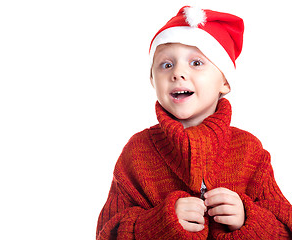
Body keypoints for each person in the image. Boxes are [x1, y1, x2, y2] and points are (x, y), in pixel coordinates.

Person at [96, 6, 292, 239]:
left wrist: (248, 219)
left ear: (225, 81)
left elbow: (285, 227)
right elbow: (107, 233)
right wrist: (158, 224)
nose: (178, 73)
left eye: (196, 63)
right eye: (166, 65)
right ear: (152, 80)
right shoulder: (136, 154)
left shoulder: (250, 151)